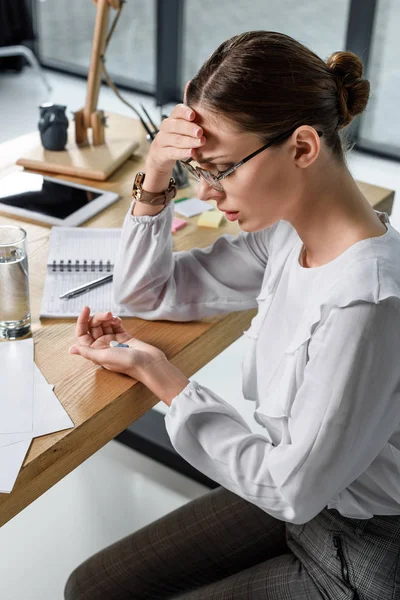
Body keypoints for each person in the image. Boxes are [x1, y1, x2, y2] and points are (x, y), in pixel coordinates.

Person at [64, 31, 400, 600]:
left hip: (356, 552)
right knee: (91, 587)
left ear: (301, 148)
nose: (209, 194)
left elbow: (291, 488)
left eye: (220, 169)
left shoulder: (365, 302)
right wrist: (154, 171)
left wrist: (164, 377)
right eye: (199, 171)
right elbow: (147, 295)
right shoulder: (288, 234)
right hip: (303, 496)